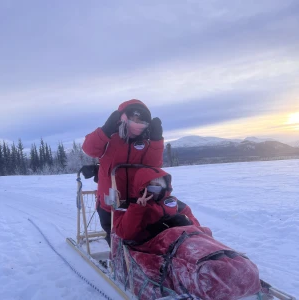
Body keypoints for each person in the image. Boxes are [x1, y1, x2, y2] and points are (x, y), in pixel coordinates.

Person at [112, 167, 261, 300]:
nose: (156, 189)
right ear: (141, 187)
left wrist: (184, 222)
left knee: (206, 250)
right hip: (156, 244)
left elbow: (195, 227)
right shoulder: (129, 207)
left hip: (184, 239)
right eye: (151, 185)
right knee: (197, 265)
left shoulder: (175, 203)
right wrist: (138, 209)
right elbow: (126, 233)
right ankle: (211, 275)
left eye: (159, 185)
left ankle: (230, 264)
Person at [82, 99, 164, 246]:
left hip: (137, 202)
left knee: (140, 234)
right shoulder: (110, 137)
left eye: (140, 119)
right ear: (124, 117)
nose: (136, 122)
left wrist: (156, 141)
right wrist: (104, 130)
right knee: (114, 236)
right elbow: (89, 149)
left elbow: (154, 166)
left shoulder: (146, 142)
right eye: (133, 117)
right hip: (110, 203)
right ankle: (116, 262)